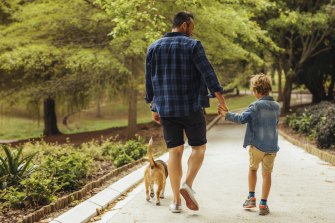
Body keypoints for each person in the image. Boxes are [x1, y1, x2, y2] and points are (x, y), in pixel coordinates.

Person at [145, 11, 228, 213]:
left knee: (175, 151)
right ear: (184, 25)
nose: (192, 31)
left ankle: (175, 202)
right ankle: (187, 184)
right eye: (192, 27)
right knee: (199, 148)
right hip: (191, 106)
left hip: (166, 108)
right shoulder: (193, 45)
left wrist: (153, 107)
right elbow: (208, 74)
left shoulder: (153, 47)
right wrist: (222, 102)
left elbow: (149, 81)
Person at [219, 74, 280, 215]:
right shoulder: (277, 106)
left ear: (256, 91)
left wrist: (226, 114)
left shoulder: (256, 105)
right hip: (271, 147)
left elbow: (241, 119)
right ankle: (263, 204)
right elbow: (275, 124)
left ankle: (251, 197)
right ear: (269, 89)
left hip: (256, 145)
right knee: (267, 175)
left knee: (253, 169)